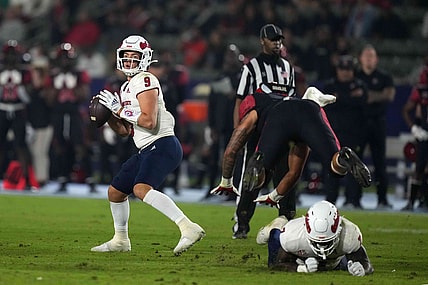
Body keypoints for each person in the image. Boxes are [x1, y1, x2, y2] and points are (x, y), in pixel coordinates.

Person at [90, 35, 205, 255]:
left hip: (162, 143)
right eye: (127, 56)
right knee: (115, 192)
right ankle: (120, 240)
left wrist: (120, 109)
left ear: (145, 59)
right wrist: (109, 115)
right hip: (147, 148)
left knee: (141, 189)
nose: (130, 60)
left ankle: (188, 227)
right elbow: (125, 131)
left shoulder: (145, 80)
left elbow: (148, 121)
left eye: (135, 56)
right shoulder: (126, 87)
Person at [235, 87, 371, 208]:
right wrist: (274, 197)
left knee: (261, 172)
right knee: (334, 166)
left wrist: (226, 180)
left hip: (280, 114)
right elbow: (294, 173)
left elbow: (231, 149)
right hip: (311, 111)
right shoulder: (303, 107)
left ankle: (258, 163)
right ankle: (343, 156)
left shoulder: (257, 106)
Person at [220, 23, 296, 239]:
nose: (277, 43)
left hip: (283, 133)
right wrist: (239, 133)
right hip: (258, 134)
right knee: (251, 181)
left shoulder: (288, 68)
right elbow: (240, 100)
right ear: (262, 41)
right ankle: (242, 225)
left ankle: (288, 224)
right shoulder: (251, 67)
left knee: (285, 179)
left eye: (279, 39)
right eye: (273, 39)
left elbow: (291, 101)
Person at [256, 200, 374, 276]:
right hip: (299, 255)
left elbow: (366, 263)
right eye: (316, 242)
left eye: (327, 242)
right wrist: (301, 268)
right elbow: (277, 264)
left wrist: (363, 269)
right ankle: (277, 225)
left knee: (349, 264)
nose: (322, 248)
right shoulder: (292, 236)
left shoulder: (349, 235)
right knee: (275, 244)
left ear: (339, 230)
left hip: (334, 261)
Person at [322, 55, 369, 209]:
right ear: (337, 70)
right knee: (332, 166)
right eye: (342, 69)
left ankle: (354, 200)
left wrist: (340, 99)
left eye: (348, 69)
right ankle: (330, 199)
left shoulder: (360, 85)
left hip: (354, 133)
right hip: (333, 133)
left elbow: (362, 104)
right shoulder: (329, 85)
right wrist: (349, 99)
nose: (345, 72)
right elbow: (324, 106)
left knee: (354, 167)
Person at [48, 42, 95, 193]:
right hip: (59, 114)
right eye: (62, 58)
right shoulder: (53, 75)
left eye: (67, 58)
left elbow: (84, 95)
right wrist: (57, 87)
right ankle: (63, 178)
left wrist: (73, 87)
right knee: (60, 146)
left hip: (75, 114)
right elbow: (49, 99)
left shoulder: (79, 74)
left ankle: (90, 179)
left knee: (80, 145)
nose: (64, 62)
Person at [355, 44, 395, 209]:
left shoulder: (385, 76)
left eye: (372, 56)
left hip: (378, 123)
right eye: (367, 55)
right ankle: (355, 198)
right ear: (361, 58)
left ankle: (382, 198)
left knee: (380, 162)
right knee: (356, 162)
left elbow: (390, 95)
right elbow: (383, 95)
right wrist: (378, 95)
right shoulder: (356, 75)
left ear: (376, 59)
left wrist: (365, 95)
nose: (369, 59)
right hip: (360, 123)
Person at [0, 40, 33, 190]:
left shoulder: (24, 72)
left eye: (14, 54)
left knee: (20, 145)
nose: (12, 58)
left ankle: (26, 179)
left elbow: (29, 96)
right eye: (9, 54)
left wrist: (20, 89)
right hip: (2, 108)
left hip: (18, 109)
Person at [401, 56, 428, 211]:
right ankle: (411, 202)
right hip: (424, 133)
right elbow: (406, 109)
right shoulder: (421, 90)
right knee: (419, 169)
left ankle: (424, 201)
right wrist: (414, 128)